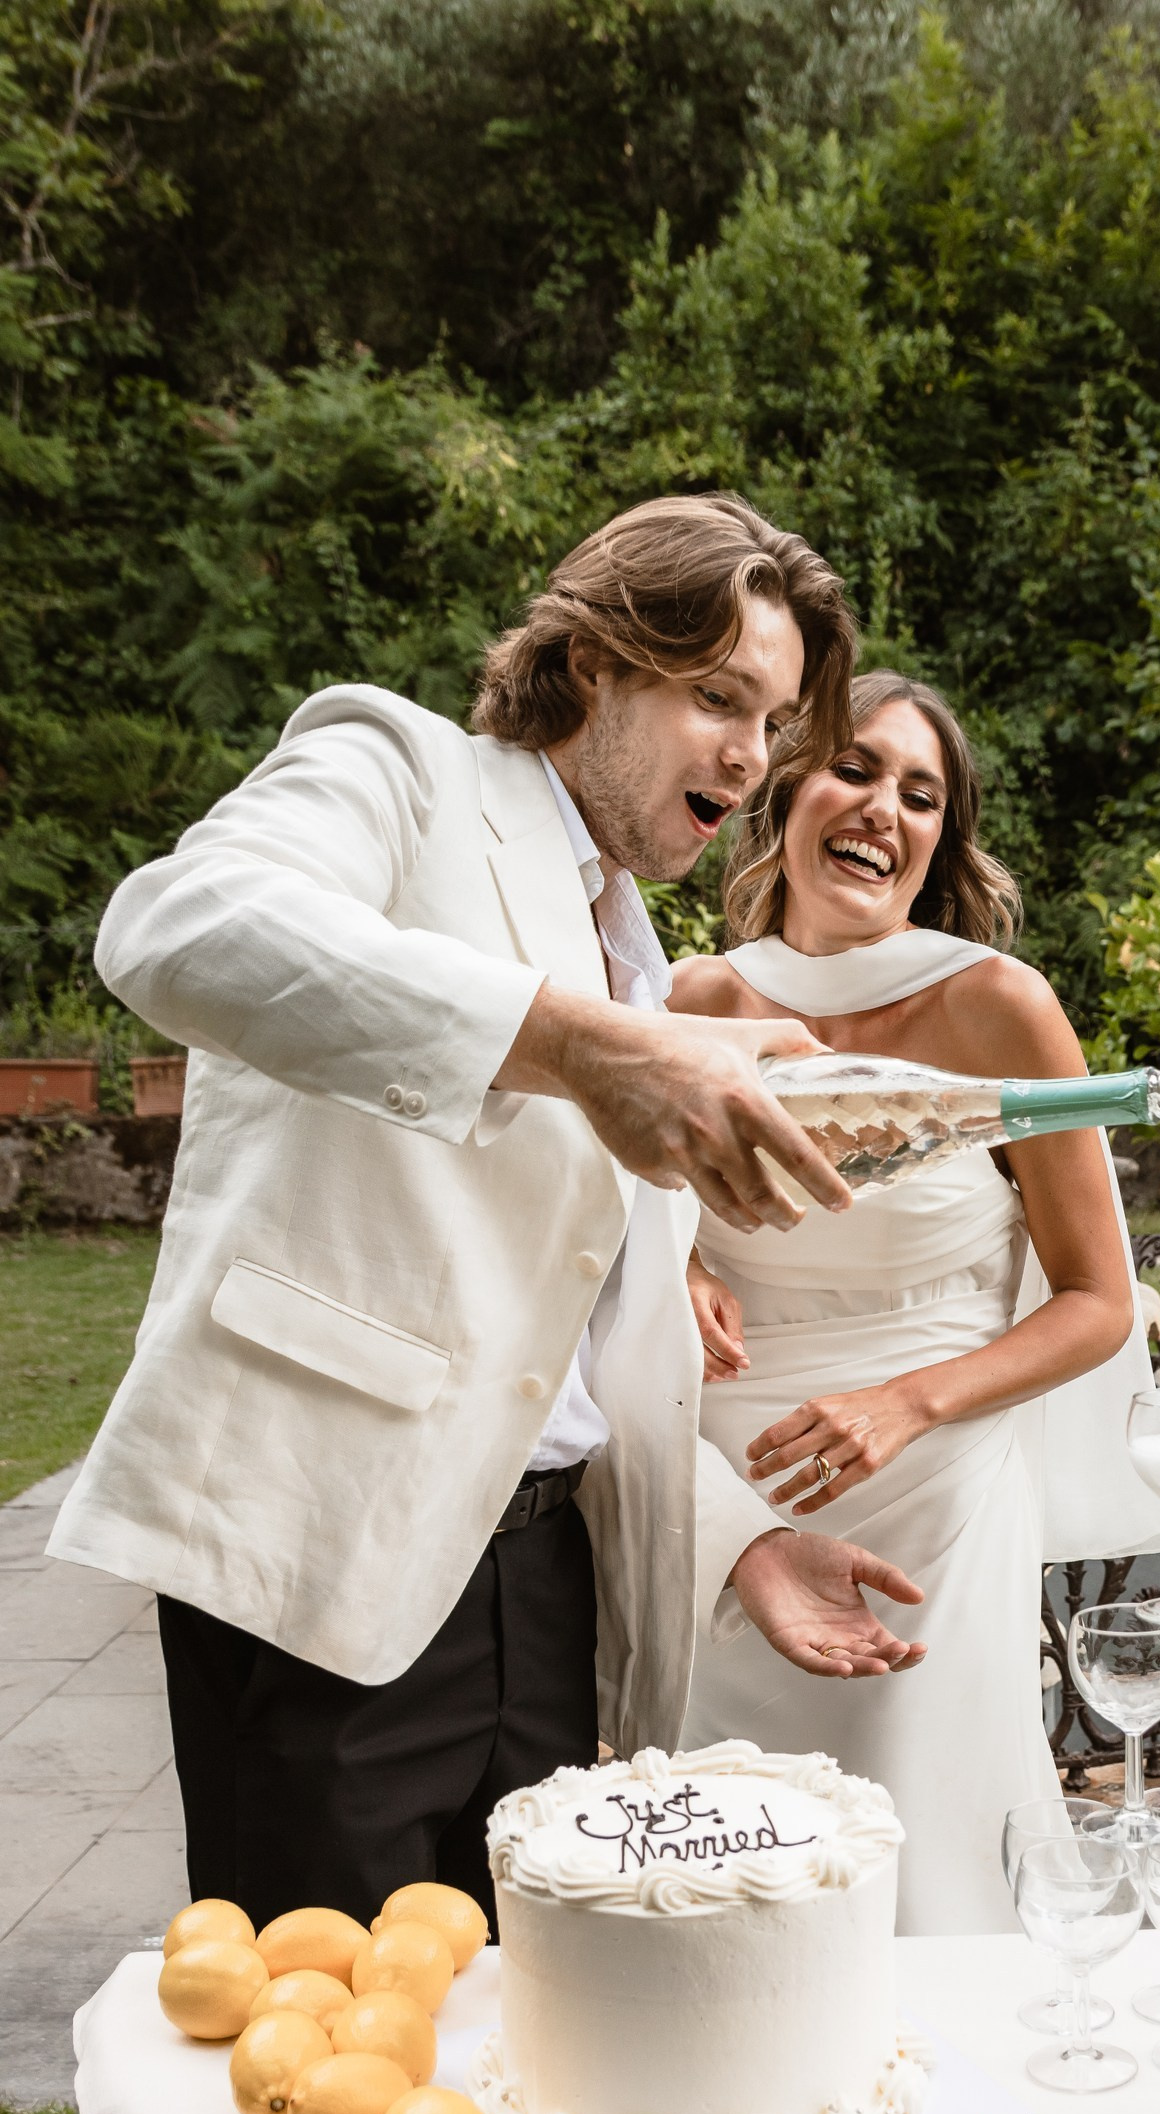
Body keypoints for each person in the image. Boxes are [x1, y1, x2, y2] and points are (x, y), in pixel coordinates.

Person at [48, 495, 927, 1931]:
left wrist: (740, 1540)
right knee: (331, 2030)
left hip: (555, 1587)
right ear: (593, 663)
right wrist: (587, 1046)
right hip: (329, 1553)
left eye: (769, 721)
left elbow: (569, 1355)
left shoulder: (640, 961)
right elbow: (178, 927)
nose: (750, 756)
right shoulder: (397, 768)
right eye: (717, 698)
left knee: (527, 2024)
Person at [670, 671, 1160, 1932]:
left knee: (923, 1832)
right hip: (728, 1482)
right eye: (853, 769)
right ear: (785, 792)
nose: (882, 809)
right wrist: (676, 1261)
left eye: (920, 794)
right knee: (727, 1838)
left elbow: (1097, 1299)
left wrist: (907, 1402)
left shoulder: (998, 1006)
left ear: (941, 841)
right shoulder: (690, 1004)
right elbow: (601, 1212)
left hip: (937, 1476)